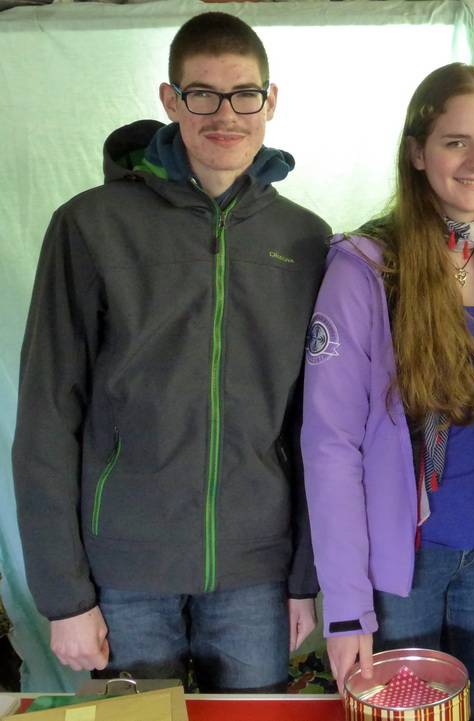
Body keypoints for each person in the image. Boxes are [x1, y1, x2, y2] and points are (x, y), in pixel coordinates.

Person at [11, 12, 326, 691]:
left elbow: (313, 427)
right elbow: (44, 416)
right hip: (124, 574)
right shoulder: (91, 226)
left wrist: (303, 576)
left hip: (255, 573)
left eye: (244, 93)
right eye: (201, 93)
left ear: (270, 101)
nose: (225, 113)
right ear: (170, 100)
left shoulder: (305, 241)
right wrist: (64, 595)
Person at [301, 63, 474, 720]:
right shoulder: (365, 268)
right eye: (455, 141)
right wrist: (348, 607)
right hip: (401, 566)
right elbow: (330, 444)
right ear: (417, 153)